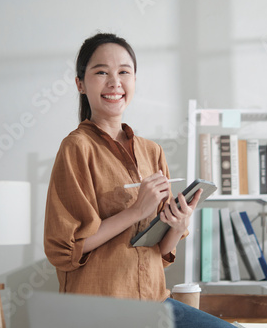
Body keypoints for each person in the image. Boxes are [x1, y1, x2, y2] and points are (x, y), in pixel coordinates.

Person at [43, 32, 234, 328]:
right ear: (80, 83)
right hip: (101, 310)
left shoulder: (152, 151)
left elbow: (157, 249)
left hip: (154, 302)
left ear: (134, 81)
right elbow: (67, 250)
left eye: (124, 72)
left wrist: (178, 224)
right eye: (101, 72)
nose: (114, 82)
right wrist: (135, 212)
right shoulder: (76, 148)